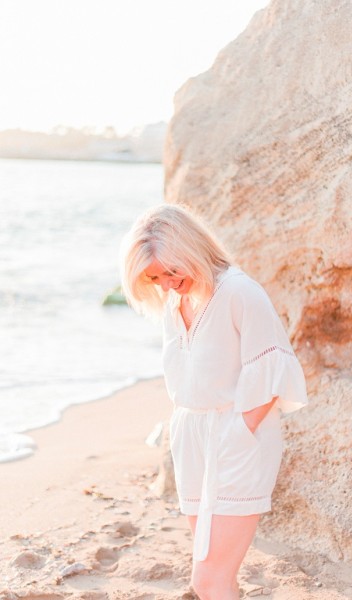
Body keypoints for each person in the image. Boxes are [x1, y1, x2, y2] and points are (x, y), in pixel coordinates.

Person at [120, 204, 307, 600]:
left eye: (172, 270)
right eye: (155, 277)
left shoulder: (240, 292)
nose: (167, 283)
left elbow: (275, 370)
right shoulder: (175, 302)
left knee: (207, 579)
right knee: (217, 572)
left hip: (238, 433)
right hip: (190, 434)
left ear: (192, 250)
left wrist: (239, 432)